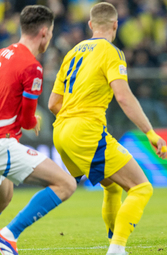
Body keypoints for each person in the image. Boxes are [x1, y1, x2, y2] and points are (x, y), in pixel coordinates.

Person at [48, 2, 167, 255]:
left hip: (61, 131)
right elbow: (123, 97)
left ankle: (114, 241)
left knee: (112, 186)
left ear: (90, 25)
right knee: (141, 187)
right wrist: (150, 132)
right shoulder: (112, 52)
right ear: (116, 25)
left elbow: (52, 103)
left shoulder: (74, 51)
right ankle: (117, 248)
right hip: (85, 130)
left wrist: (72, 121)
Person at [0, 5, 77, 255]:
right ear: (44, 33)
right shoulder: (32, 67)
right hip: (3, 142)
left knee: (5, 192)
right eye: (52, 32)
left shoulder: (3, 53)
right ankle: (8, 237)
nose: (51, 37)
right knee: (65, 183)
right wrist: (33, 121)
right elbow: (25, 120)